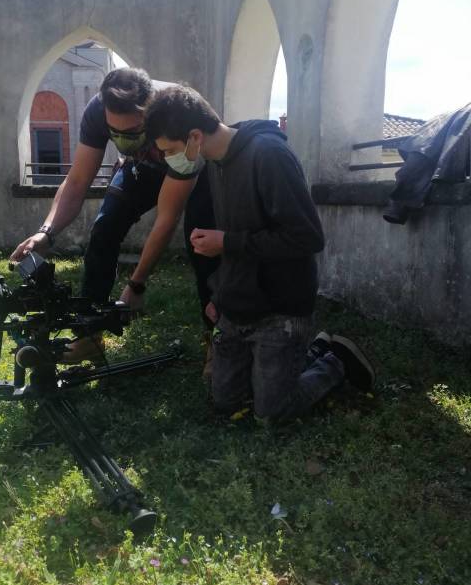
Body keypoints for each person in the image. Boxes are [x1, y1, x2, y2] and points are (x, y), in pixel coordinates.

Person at [144, 85, 375, 422]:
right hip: (239, 305)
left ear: (195, 136)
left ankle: (334, 360)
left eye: (170, 150)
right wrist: (219, 294)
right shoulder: (215, 163)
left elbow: (307, 237)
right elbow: (238, 236)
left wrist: (228, 243)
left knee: (271, 413)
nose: (168, 160)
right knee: (226, 402)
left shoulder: (268, 155)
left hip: (281, 308)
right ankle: (298, 357)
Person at [11, 68, 218, 365]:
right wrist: (47, 231)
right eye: (115, 133)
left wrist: (136, 285)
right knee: (104, 229)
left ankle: (216, 339)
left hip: (190, 165)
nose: (123, 140)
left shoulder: (176, 114)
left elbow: (166, 217)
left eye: (133, 132)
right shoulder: (97, 110)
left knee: (201, 243)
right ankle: (88, 337)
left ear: (150, 115)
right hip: (143, 167)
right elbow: (79, 179)